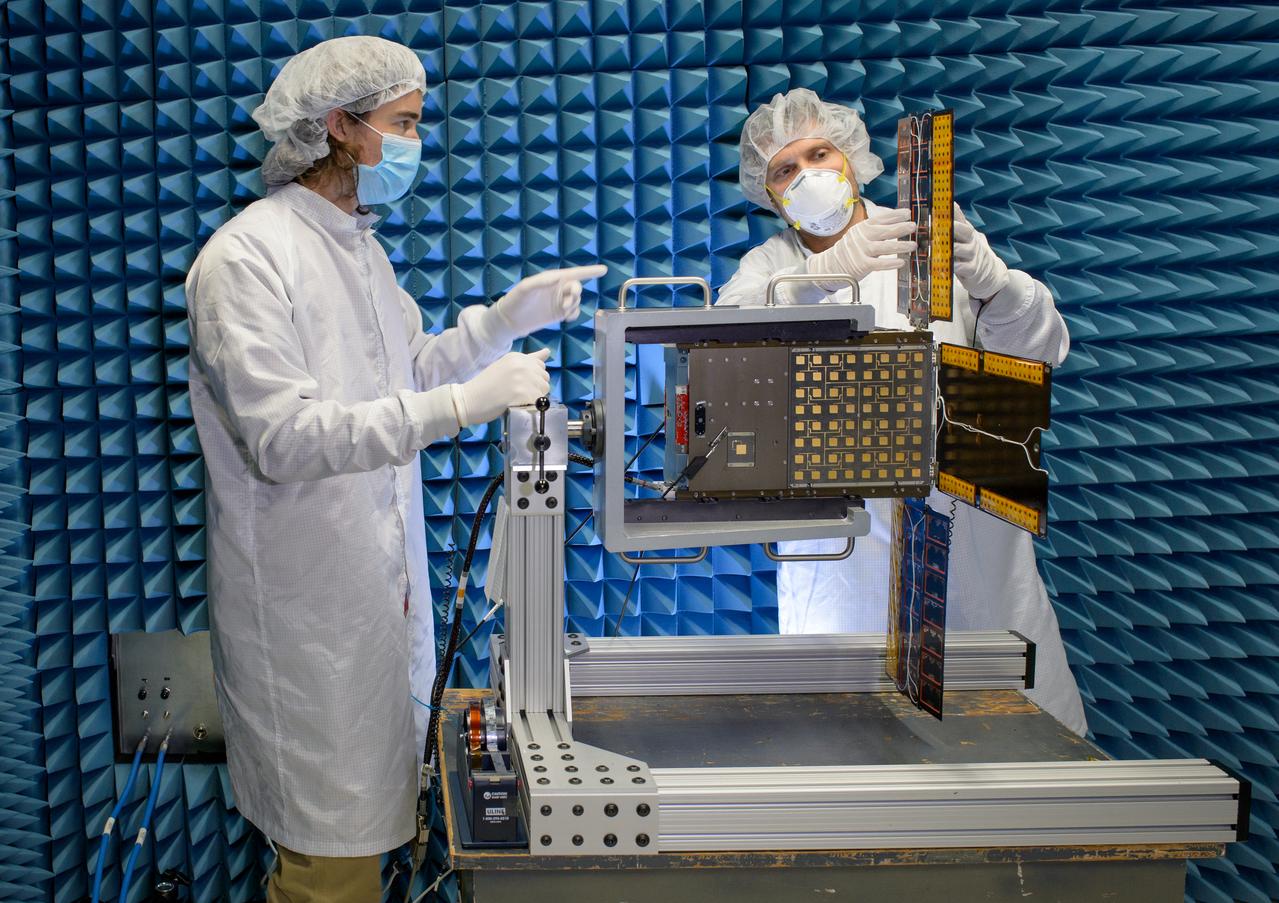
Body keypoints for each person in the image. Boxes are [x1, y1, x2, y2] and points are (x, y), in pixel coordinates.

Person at [185, 36, 606, 900]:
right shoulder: (246, 257)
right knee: (327, 868)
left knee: (365, 841)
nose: (417, 142)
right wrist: (463, 404)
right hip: (307, 618)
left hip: (376, 600)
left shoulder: (360, 249)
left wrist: (498, 323)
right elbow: (285, 438)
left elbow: (405, 373)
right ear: (340, 126)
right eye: (403, 123)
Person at [719, 88, 1086, 736]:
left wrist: (996, 284)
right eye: (784, 168)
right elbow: (724, 351)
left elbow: (1037, 354)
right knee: (856, 765)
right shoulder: (772, 265)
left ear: (852, 158)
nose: (806, 174)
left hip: (967, 541)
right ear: (767, 192)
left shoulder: (930, 236)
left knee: (1012, 751)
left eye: (818, 152)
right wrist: (821, 276)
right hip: (841, 562)